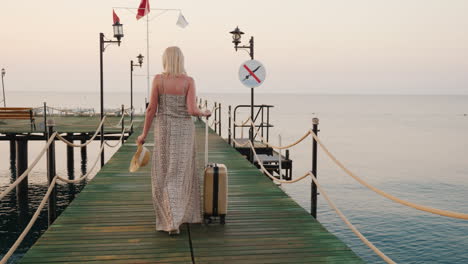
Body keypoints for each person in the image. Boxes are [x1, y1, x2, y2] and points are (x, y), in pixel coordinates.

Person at [136, 46, 211, 235]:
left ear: (165, 60)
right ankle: (176, 219)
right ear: (181, 60)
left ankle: (170, 219)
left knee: (163, 174)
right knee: (179, 173)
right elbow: (193, 111)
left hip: (163, 130)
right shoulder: (188, 81)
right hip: (184, 132)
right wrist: (205, 112)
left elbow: (151, 109)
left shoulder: (158, 80)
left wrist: (144, 134)